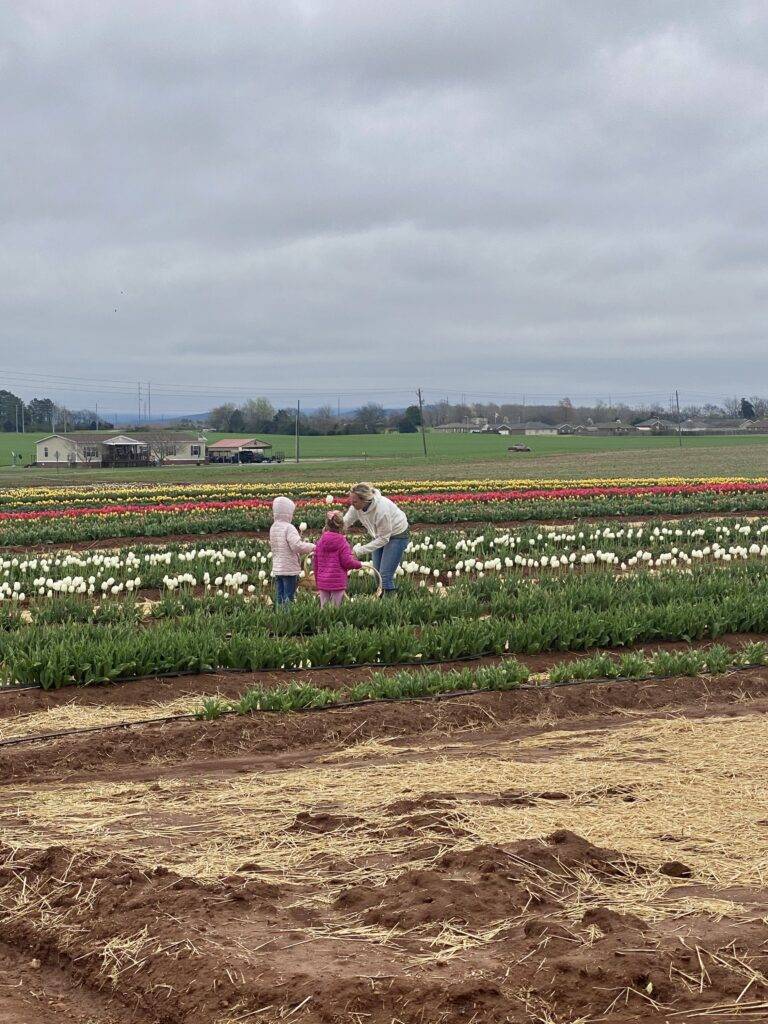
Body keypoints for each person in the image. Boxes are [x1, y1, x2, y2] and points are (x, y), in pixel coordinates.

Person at [343, 482, 409, 595]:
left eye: (355, 501)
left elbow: (384, 539)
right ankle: (382, 599)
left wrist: (358, 551)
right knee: (377, 573)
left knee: (385, 575)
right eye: (351, 501)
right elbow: (346, 522)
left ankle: (390, 604)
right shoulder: (356, 507)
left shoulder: (381, 509)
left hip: (397, 534)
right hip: (379, 534)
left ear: (364, 500)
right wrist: (332, 530)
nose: (352, 504)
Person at [269, 495, 315, 605]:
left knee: (280, 595)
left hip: (278, 568)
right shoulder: (289, 527)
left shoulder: (274, 527)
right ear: (288, 513)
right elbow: (296, 546)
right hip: (289, 569)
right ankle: (288, 618)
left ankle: (279, 616)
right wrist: (312, 547)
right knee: (289, 596)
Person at [313, 510, 363, 607]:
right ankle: (334, 622)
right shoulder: (343, 542)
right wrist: (359, 564)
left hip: (322, 581)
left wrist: (317, 580)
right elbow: (347, 562)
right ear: (342, 525)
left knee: (324, 608)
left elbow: (316, 563)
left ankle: (323, 622)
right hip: (337, 582)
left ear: (327, 525)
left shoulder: (320, 542)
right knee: (336, 608)